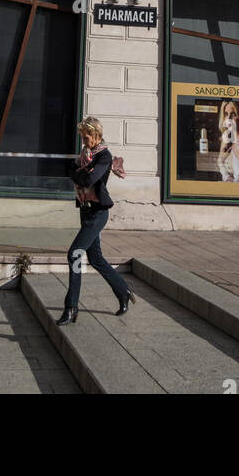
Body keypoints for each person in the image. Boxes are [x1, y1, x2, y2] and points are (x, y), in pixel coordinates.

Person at [57, 116, 135, 326]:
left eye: (87, 136)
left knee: (74, 253)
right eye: (82, 136)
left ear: (97, 134)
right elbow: (72, 172)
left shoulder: (104, 156)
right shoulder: (86, 154)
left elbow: (89, 179)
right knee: (96, 259)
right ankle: (123, 290)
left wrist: (77, 173)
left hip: (98, 213)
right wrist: (78, 173)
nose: (84, 140)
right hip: (86, 210)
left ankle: (71, 307)